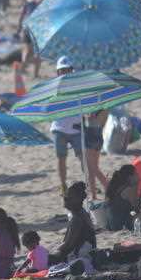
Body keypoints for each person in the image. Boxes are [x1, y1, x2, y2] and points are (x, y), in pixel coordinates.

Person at [49, 57, 83, 195]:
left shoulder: (79, 86)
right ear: (57, 72)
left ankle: (89, 182)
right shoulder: (53, 88)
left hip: (76, 128)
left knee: (83, 158)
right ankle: (63, 186)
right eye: (62, 70)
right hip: (59, 128)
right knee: (61, 158)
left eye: (67, 70)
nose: (64, 73)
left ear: (72, 70)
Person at [49, 182, 97, 270]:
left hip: (80, 257)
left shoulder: (77, 218)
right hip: (84, 253)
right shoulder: (81, 213)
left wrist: (55, 252)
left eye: (68, 198)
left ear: (78, 200)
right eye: (65, 197)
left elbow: (68, 245)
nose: (65, 199)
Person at [105, 164, 141, 231]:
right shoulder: (129, 189)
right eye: (136, 174)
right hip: (122, 224)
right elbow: (136, 209)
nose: (138, 176)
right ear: (130, 177)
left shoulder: (117, 186)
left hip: (111, 224)